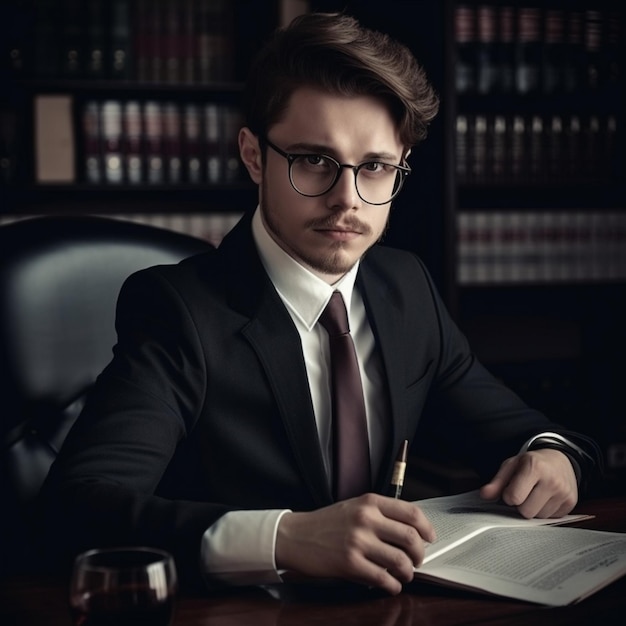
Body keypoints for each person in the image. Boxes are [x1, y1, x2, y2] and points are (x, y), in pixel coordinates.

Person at [39, 12, 600, 595]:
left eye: (377, 168)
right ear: (254, 156)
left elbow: (526, 433)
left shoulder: (405, 287)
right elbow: (75, 510)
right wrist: (284, 538)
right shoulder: (178, 310)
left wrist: (553, 457)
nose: (346, 200)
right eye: (314, 161)